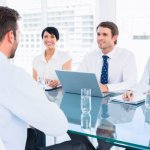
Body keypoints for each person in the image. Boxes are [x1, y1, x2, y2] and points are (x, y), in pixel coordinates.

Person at [0, 6, 91, 150]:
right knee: (79, 145)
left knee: (36, 131)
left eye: (52, 36)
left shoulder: (64, 56)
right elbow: (59, 126)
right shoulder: (13, 74)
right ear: (11, 36)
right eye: (19, 33)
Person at [77, 21, 137, 93]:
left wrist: (107, 88)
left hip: (117, 100)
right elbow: (78, 77)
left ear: (114, 38)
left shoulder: (127, 56)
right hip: (94, 97)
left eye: (105, 34)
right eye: (98, 34)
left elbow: (131, 83)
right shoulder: (89, 56)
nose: (100, 38)